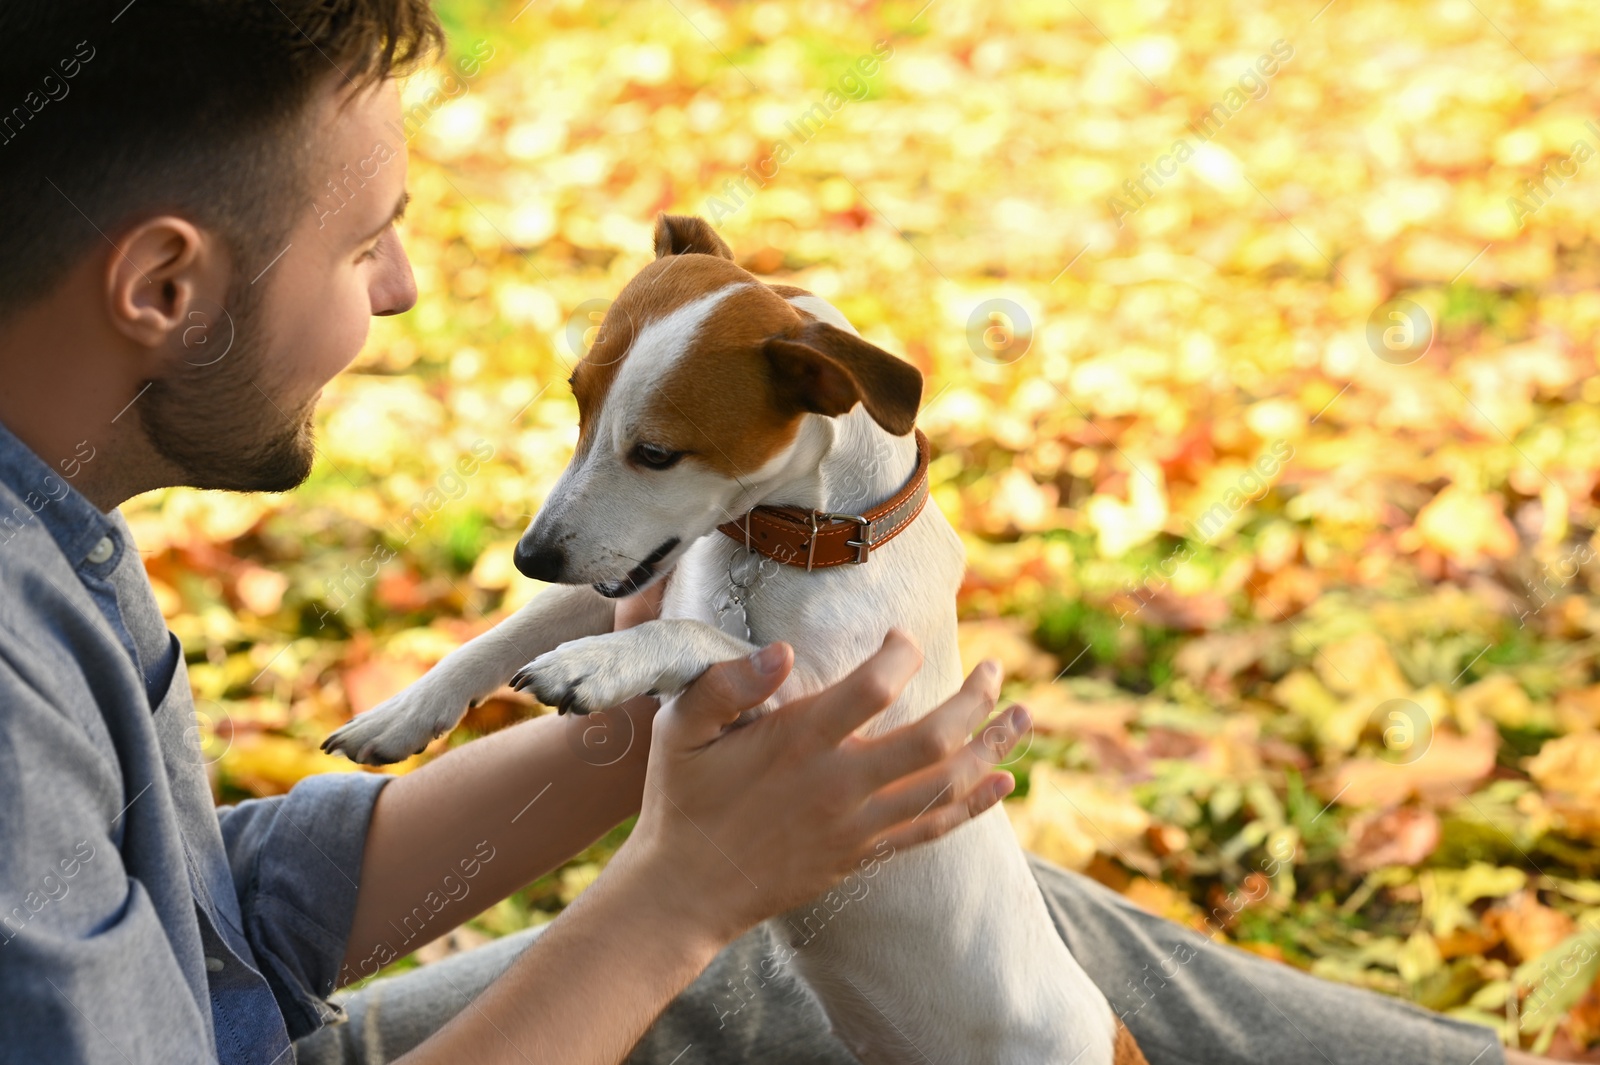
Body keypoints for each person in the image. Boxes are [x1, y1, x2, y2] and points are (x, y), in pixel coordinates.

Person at [0, 3, 1533, 1063]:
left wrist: (691, 751)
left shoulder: (62, 523)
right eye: (362, 238)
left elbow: (216, 929)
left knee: (999, 904)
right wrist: (679, 898)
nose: (397, 288)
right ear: (163, 287)